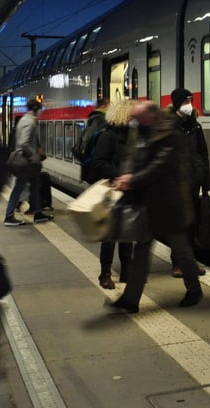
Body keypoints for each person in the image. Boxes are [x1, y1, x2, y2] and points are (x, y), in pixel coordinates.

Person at [106, 101, 203, 313]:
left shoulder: (170, 135)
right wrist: (125, 179)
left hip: (170, 203)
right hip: (147, 203)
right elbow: (132, 159)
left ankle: (194, 290)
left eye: (139, 118)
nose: (135, 121)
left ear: (151, 116)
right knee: (141, 252)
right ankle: (131, 300)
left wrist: (132, 179)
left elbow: (159, 167)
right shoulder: (138, 131)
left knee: (181, 251)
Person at [87, 99, 134, 289]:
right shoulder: (108, 136)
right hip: (113, 190)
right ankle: (104, 273)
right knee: (110, 233)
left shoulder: (132, 135)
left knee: (127, 232)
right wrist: (118, 175)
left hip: (129, 190)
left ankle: (126, 271)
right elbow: (99, 163)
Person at [166, 88, 209, 278]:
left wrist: (206, 183)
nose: (188, 105)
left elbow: (203, 155)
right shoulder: (168, 127)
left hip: (193, 182)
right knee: (179, 226)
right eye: (185, 101)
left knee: (191, 225)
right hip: (175, 184)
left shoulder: (195, 127)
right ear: (177, 104)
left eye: (190, 101)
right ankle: (178, 264)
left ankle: (190, 262)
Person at [4, 100, 51, 226]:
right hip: (26, 162)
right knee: (19, 188)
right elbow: (23, 144)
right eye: (40, 109)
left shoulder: (25, 120)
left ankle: (38, 212)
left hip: (28, 163)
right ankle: (9, 216)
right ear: (36, 109)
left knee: (36, 185)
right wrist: (34, 154)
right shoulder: (29, 122)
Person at [78, 98, 109, 183]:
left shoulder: (92, 119)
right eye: (109, 107)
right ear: (103, 106)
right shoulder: (101, 120)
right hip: (96, 169)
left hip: (91, 168)